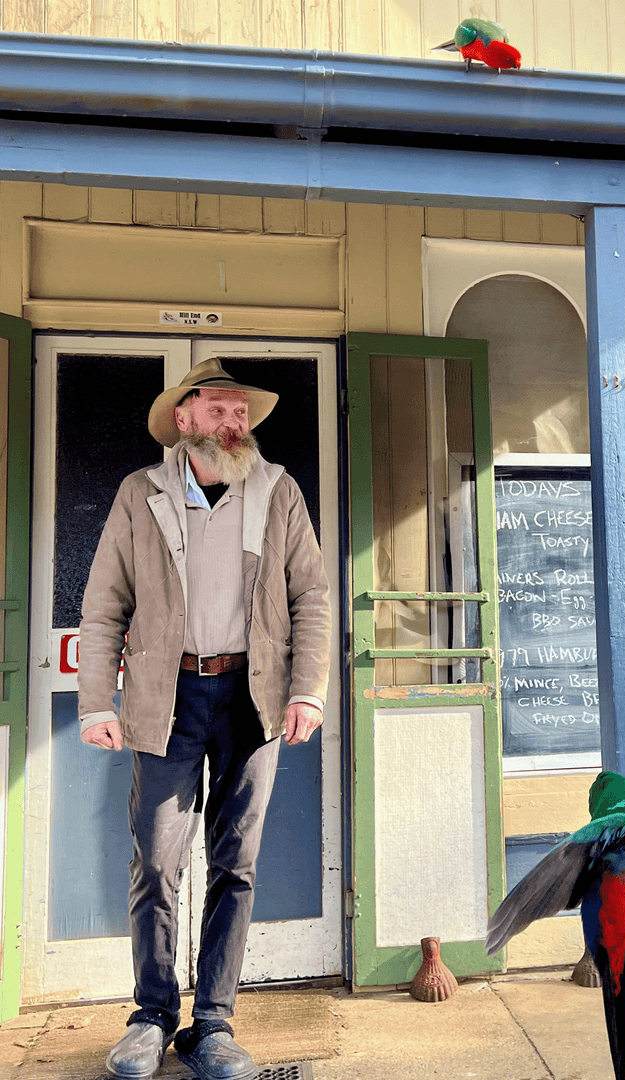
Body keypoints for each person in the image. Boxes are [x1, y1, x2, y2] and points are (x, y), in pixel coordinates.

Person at [78, 359, 332, 1080]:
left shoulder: (277, 490)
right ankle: (152, 1015)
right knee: (157, 859)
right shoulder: (141, 493)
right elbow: (105, 603)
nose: (233, 421)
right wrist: (96, 702)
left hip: (253, 696)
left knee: (235, 863)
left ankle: (213, 1023)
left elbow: (311, 597)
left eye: (240, 411)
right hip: (169, 696)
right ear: (183, 418)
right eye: (218, 409)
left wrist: (307, 691)